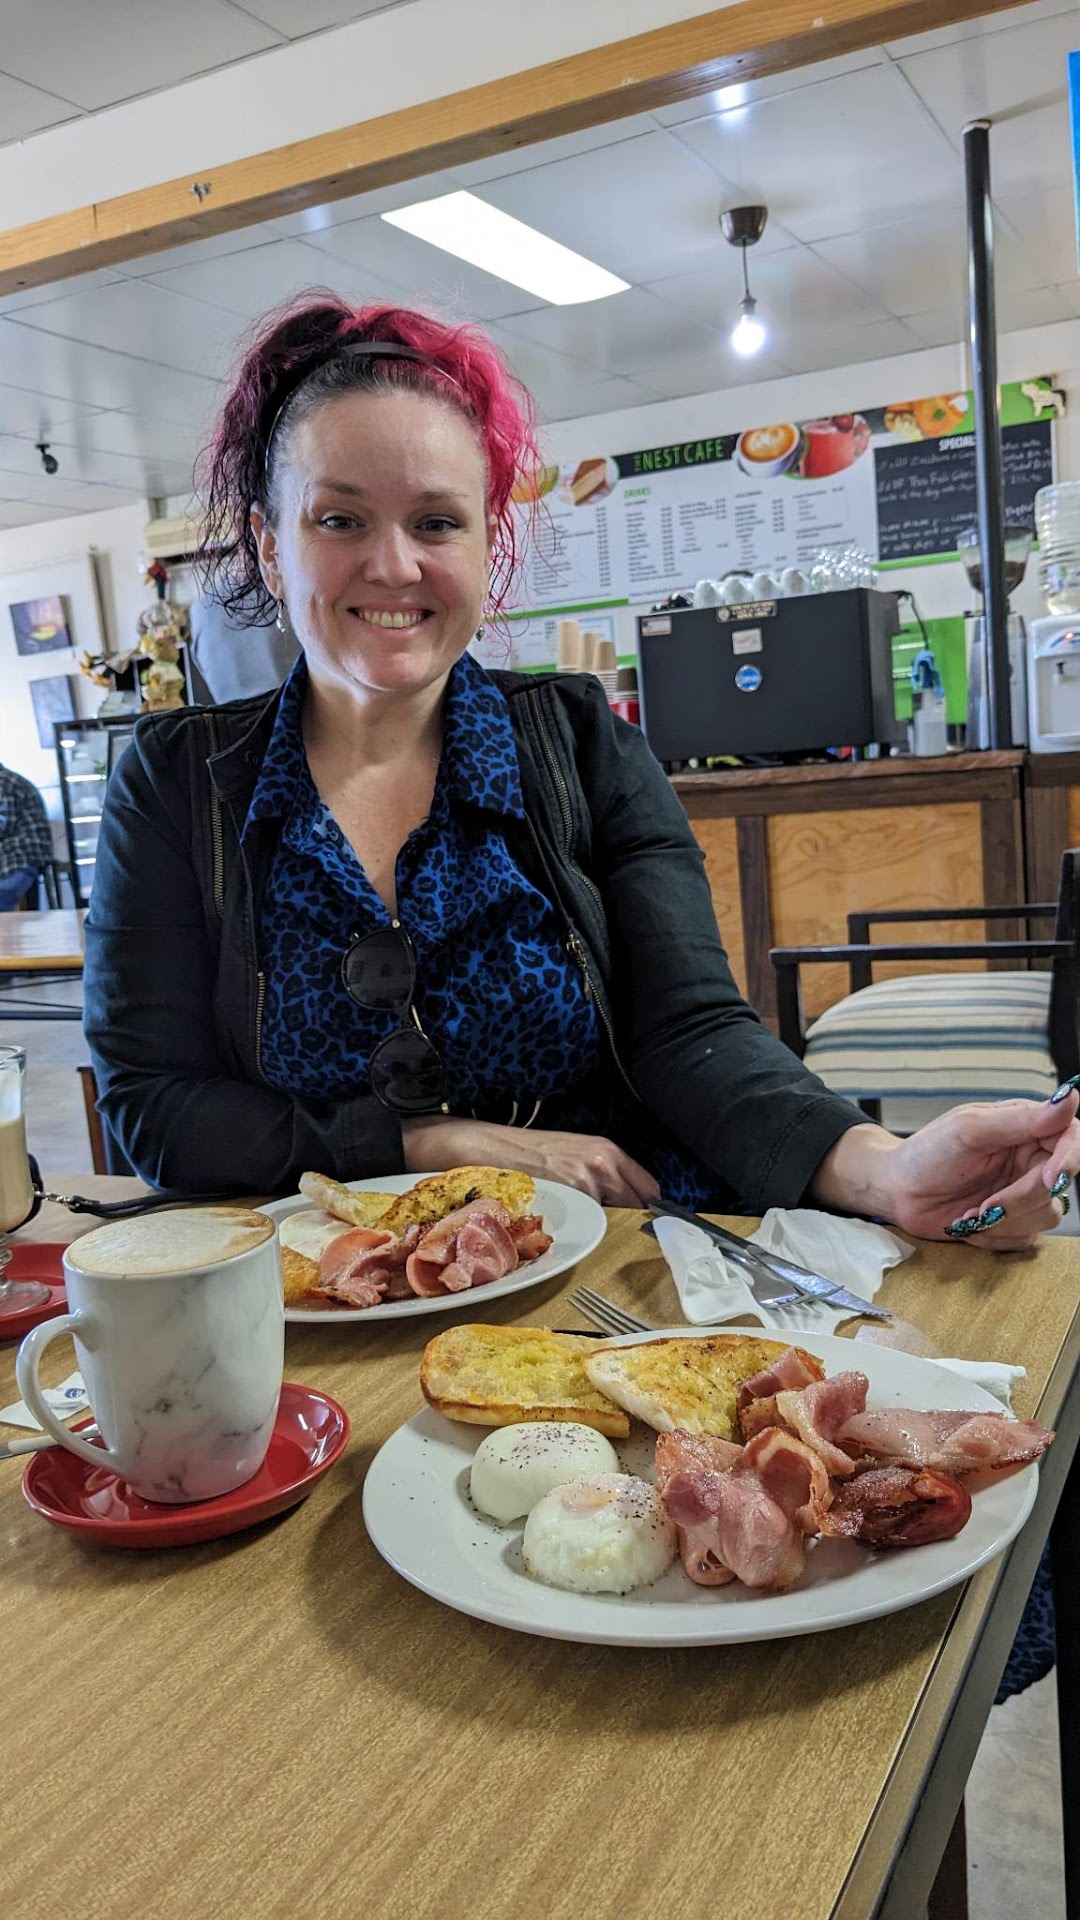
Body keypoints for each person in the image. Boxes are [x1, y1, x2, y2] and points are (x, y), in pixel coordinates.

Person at [83, 296, 1080, 1242]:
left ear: (487, 545)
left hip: (610, 1266)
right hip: (319, 1293)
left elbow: (691, 1034)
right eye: (339, 520)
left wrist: (884, 1169)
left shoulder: (578, 744)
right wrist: (431, 1145)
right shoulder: (179, 782)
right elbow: (155, 1107)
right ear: (268, 546)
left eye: (437, 522)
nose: (394, 565)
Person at [0, 761, 54, 909]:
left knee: (2, 896)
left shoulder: (4, 782)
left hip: (21, 856)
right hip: (20, 856)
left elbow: (5, 824)